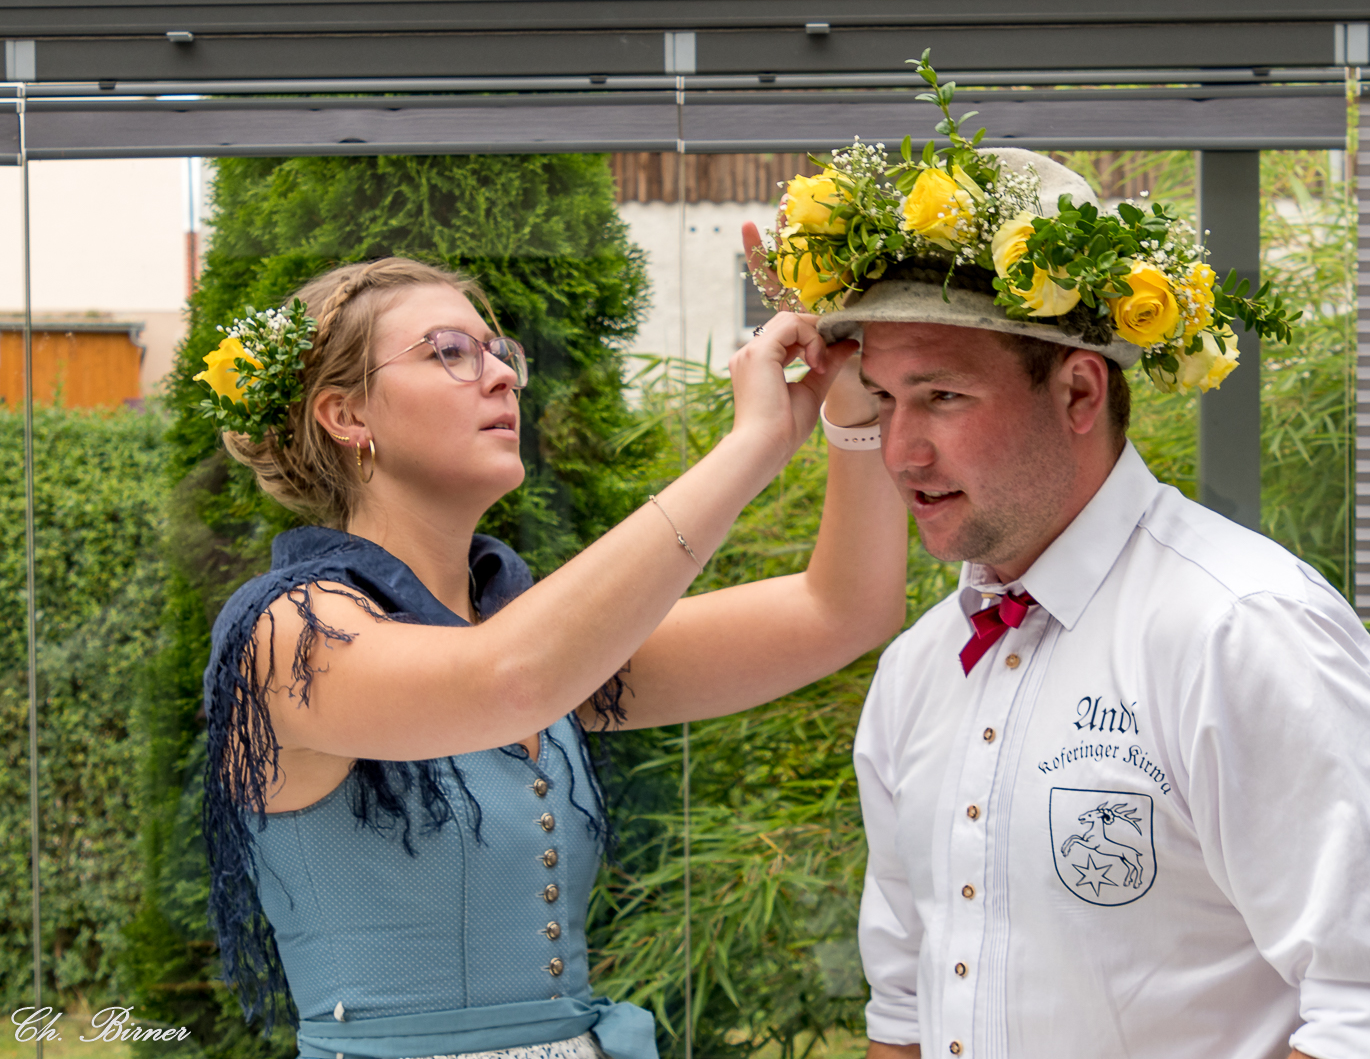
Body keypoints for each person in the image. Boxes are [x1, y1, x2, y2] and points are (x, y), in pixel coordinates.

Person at [757, 84, 1370, 1054]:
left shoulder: (1242, 627)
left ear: (1079, 392)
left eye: (942, 398)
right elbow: (904, 1006)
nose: (900, 450)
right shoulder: (917, 671)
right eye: (884, 400)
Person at [195, 256, 907, 1059]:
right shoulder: (288, 634)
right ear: (345, 414)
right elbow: (508, 680)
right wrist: (752, 444)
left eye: (499, 352)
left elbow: (845, 611)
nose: (503, 375)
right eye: (449, 351)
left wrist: (855, 403)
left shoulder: (530, 636)